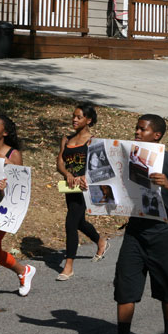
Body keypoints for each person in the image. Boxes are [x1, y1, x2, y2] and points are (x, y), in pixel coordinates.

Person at [95, 114, 168, 334]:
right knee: (124, 288)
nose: (137, 133)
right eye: (136, 129)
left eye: (143, 130)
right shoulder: (127, 160)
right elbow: (112, 189)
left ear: (157, 135)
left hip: (163, 235)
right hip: (135, 234)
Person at [0, 115, 36, 313]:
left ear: (4, 132)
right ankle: (23, 270)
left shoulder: (13, 155)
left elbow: (18, 189)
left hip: (2, 211)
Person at [55, 104, 109, 280]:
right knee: (78, 222)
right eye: (74, 116)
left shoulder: (94, 141)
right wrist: (68, 174)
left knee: (71, 223)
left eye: (79, 117)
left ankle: (68, 266)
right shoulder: (66, 139)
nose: (74, 120)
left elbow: (101, 167)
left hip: (86, 188)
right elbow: (60, 163)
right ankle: (101, 241)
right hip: (70, 187)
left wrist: (85, 177)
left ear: (89, 120)